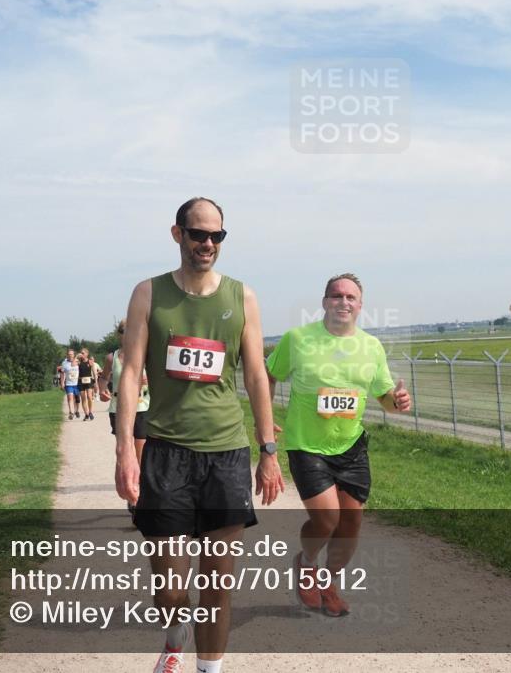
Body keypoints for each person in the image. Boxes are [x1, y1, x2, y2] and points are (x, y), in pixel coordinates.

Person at [114, 197, 283, 673]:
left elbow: (255, 378)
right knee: (170, 586)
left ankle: (210, 668)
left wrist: (268, 450)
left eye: (216, 236)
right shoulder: (148, 293)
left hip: (226, 453)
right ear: (178, 235)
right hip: (166, 452)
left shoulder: (242, 296)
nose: (207, 244)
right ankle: (174, 636)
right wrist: (126, 447)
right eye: (198, 234)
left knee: (217, 583)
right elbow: (130, 372)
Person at [266, 273, 411, 617]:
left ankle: (328, 581)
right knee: (327, 518)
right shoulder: (298, 339)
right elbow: (267, 374)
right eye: (336, 296)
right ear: (324, 302)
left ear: (361, 306)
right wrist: (265, 418)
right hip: (307, 445)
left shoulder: (371, 347)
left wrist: (398, 401)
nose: (343, 302)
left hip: (351, 447)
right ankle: (306, 562)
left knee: (350, 523)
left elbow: (384, 398)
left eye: (350, 297)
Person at [98, 320, 150, 517]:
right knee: (124, 452)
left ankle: (140, 496)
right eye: (123, 331)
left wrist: (149, 379)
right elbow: (104, 377)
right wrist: (102, 391)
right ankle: (132, 495)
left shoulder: (147, 355)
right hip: (118, 409)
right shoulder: (112, 357)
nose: (128, 334)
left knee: (140, 454)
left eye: (133, 330)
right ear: (119, 334)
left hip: (143, 406)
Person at [60, 349, 81, 420]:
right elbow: (62, 373)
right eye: (69, 354)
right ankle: (71, 412)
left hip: (77, 383)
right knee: (70, 397)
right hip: (69, 384)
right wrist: (62, 383)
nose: (70, 356)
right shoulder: (64, 363)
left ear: (74, 355)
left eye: (71, 354)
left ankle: (77, 410)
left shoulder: (78, 361)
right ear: (67, 355)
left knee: (77, 399)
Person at [78, 348, 96, 421]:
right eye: (81, 353)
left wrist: (96, 382)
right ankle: (86, 414)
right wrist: (76, 357)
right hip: (81, 381)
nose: (82, 354)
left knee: (89, 396)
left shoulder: (90, 362)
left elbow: (94, 372)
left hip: (89, 381)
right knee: (83, 398)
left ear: (87, 354)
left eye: (83, 353)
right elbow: (72, 364)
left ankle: (90, 412)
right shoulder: (78, 362)